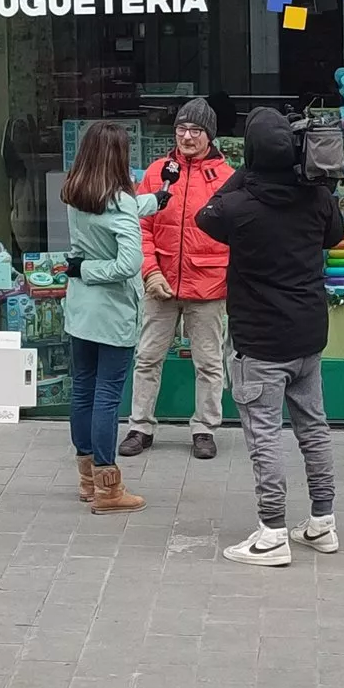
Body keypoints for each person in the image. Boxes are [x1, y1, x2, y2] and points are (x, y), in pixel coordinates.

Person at [197, 108, 344, 567]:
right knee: (314, 430)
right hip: (307, 337)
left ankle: (272, 532)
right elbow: (334, 235)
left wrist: (246, 169)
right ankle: (323, 522)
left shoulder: (238, 206)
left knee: (264, 437)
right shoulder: (317, 199)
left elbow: (206, 216)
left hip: (259, 342)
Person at [120, 98, 234, 461]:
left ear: (209, 136)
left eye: (195, 130)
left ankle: (205, 428)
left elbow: (238, 234)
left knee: (209, 362)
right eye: (181, 129)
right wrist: (149, 272)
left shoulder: (227, 178)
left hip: (209, 286)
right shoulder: (156, 171)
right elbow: (140, 226)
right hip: (161, 283)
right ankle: (140, 426)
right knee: (148, 357)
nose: (187, 136)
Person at [61, 121, 161, 514]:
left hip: (81, 309)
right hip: (113, 311)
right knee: (107, 396)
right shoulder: (118, 202)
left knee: (83, 389)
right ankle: (108, 487)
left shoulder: (76, 192)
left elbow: (126, 207)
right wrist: (89, 269)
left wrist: (158, 198)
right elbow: (129, 263)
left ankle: (87, 478)